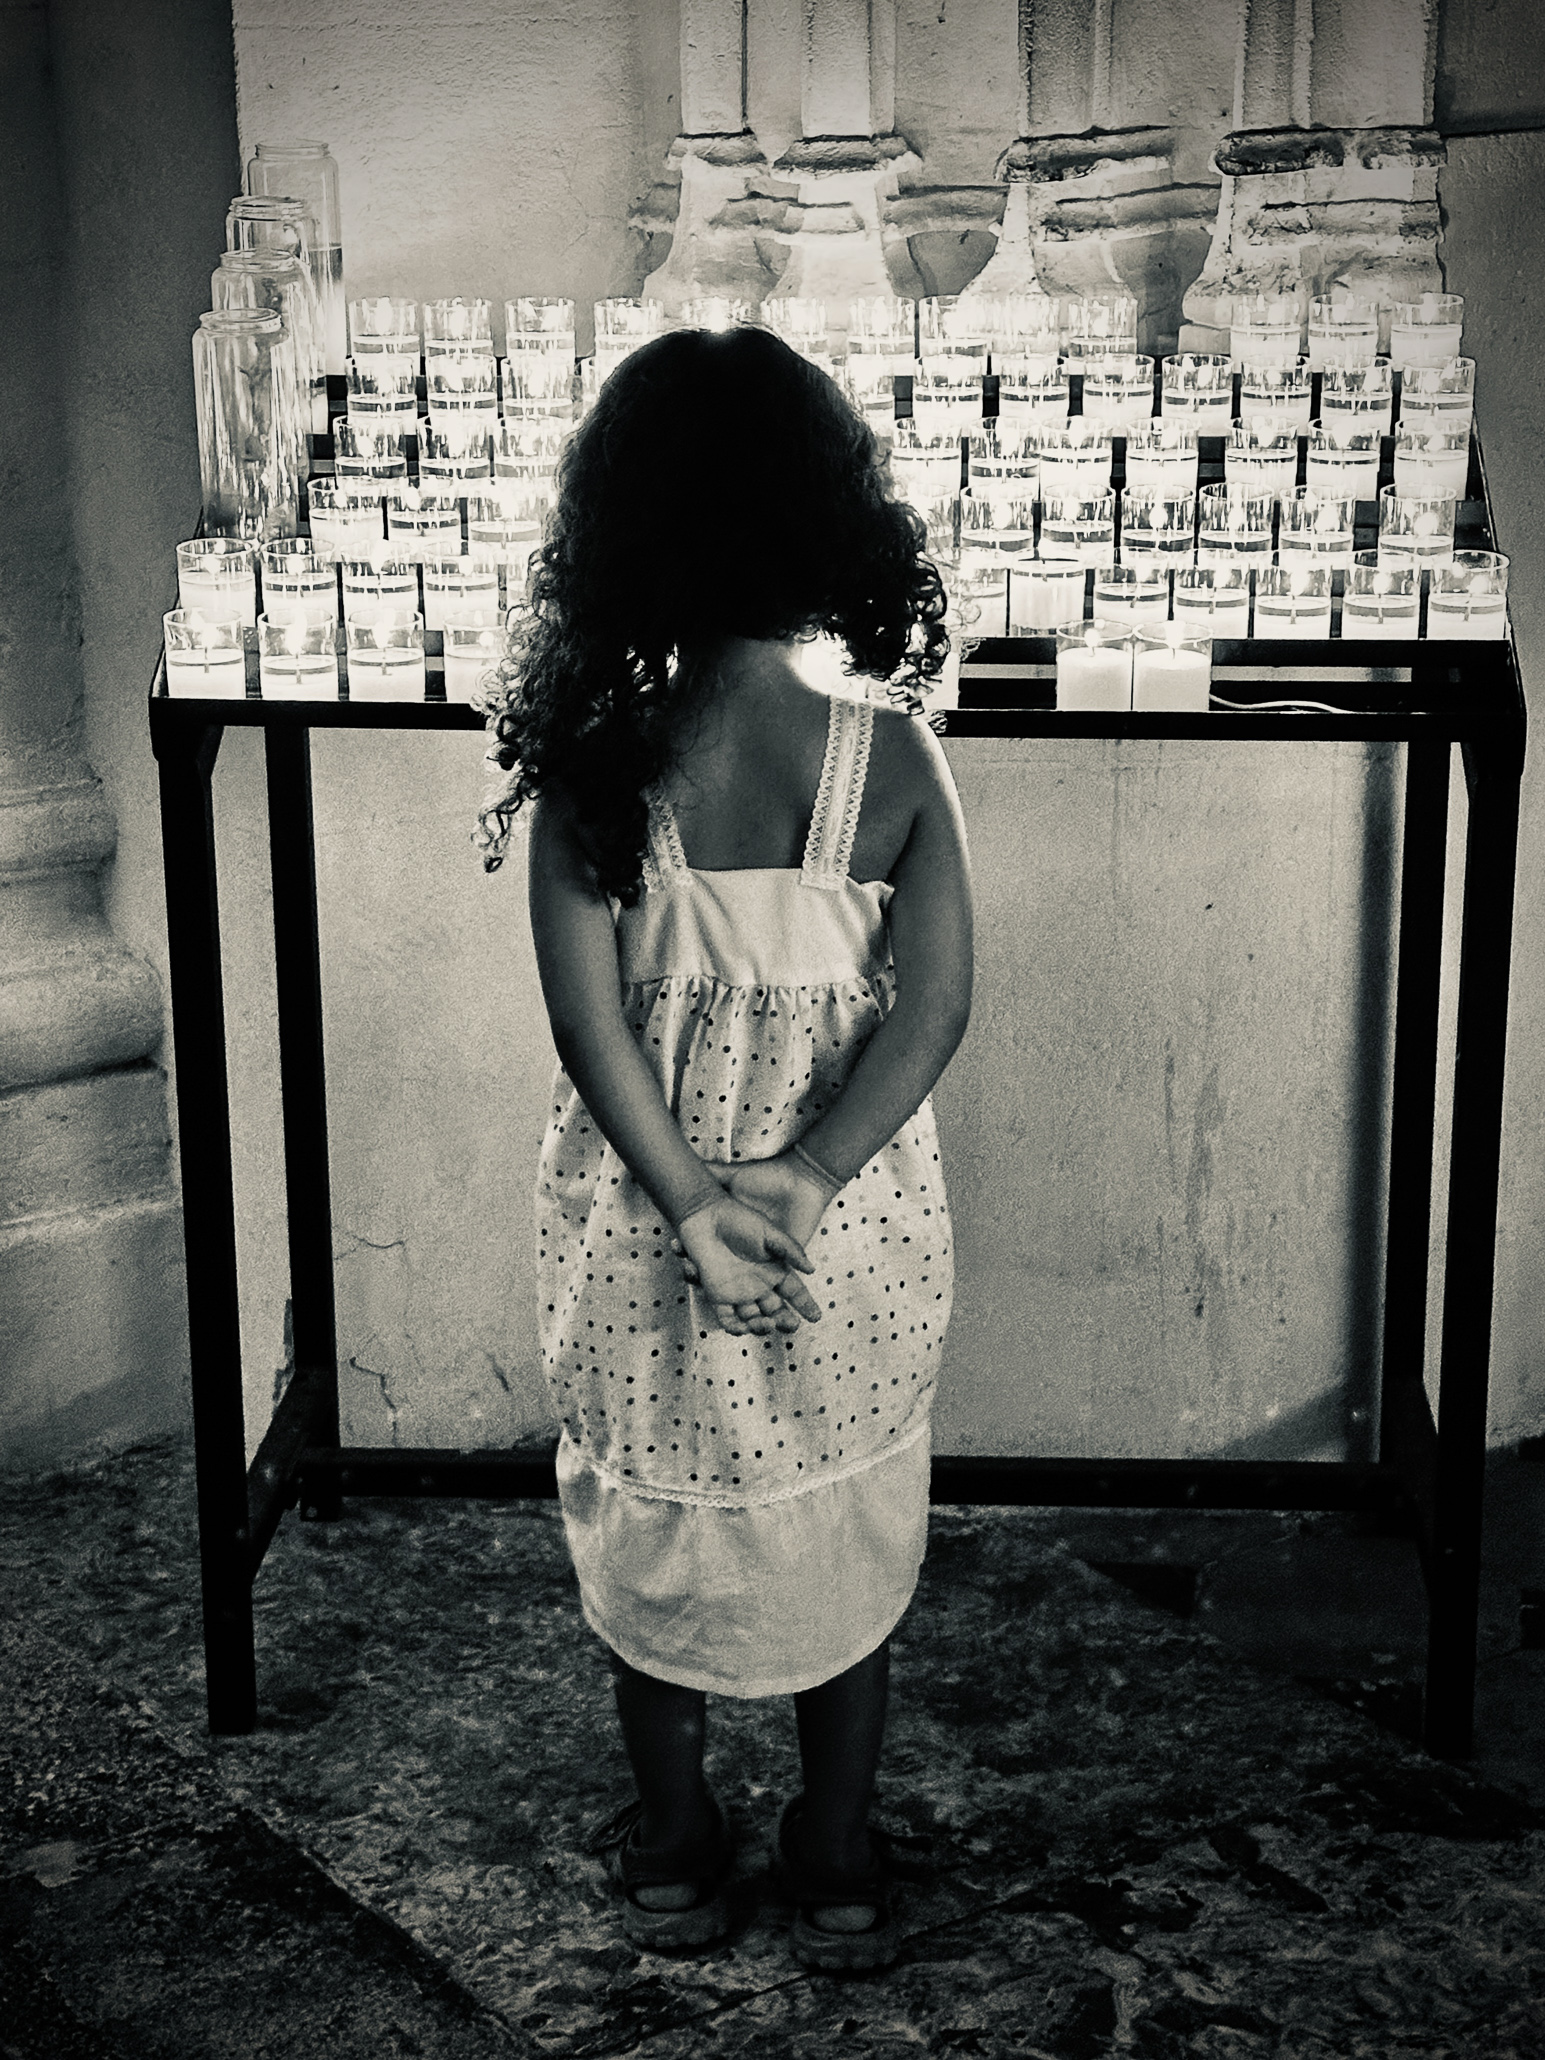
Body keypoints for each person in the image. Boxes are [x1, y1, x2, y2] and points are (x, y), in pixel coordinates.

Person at [474, 324, 974, 1971]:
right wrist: (808, 1176)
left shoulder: (599, 771)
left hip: (643, 1235)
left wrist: (689, 1197)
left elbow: (587, 1026)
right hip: (844, 1231)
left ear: (615, 532)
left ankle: (680, 1842)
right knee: (836, 1520)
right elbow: (934, 1010)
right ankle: (833, 1852)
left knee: (660, 1516)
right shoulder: (891, 755)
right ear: (831, 521)